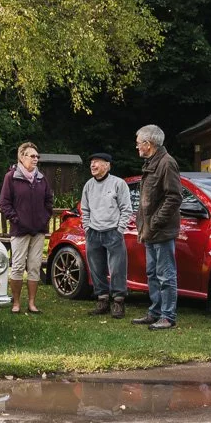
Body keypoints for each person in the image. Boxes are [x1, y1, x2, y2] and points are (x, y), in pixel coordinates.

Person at [132, 125, 182, 331]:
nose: (137, 147)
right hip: (150, 231)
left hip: (161, 231)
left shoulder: (167, 163)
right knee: (152, 273)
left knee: (165, 275)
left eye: (138, 143)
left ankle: (167, 317)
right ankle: (155, 312)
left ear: (148, 144)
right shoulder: (152, 162)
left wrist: (155, 222)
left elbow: (174, 197)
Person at [0, 141, 54, 314]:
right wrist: (17, 220)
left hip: (38, 231)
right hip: (20, 230)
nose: (36, 159)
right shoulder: (11, 177)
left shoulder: (41, 178)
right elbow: (4, 203)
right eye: (32, 156)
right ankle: (16, 303)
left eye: (37, 156)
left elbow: (49, 201)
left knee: (34, 266)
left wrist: (44, 218)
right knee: (17, 266)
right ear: (22, 157)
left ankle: (32, 303)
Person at [80, 152, 133, 319]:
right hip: (93, 233)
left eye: (96, 162)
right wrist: (87, 228)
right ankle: (102, 300)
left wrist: (119, 229)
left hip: (113, 232)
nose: (92, 165)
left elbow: (126, 209)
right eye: (91, 163)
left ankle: (118, 302)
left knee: (117, 269)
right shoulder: (88, 185)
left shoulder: (118, 183)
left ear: (107, 165)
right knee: (96, 269)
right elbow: (85, 209)